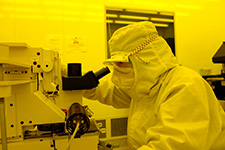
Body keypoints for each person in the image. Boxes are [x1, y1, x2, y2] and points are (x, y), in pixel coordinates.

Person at [83, 21, 225, 150]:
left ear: (144, 59)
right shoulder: (145, 87)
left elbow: (170, 145)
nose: (117, 69)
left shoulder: (184, 85)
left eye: (121, 63)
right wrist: (77, 81)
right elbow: (107, 91)